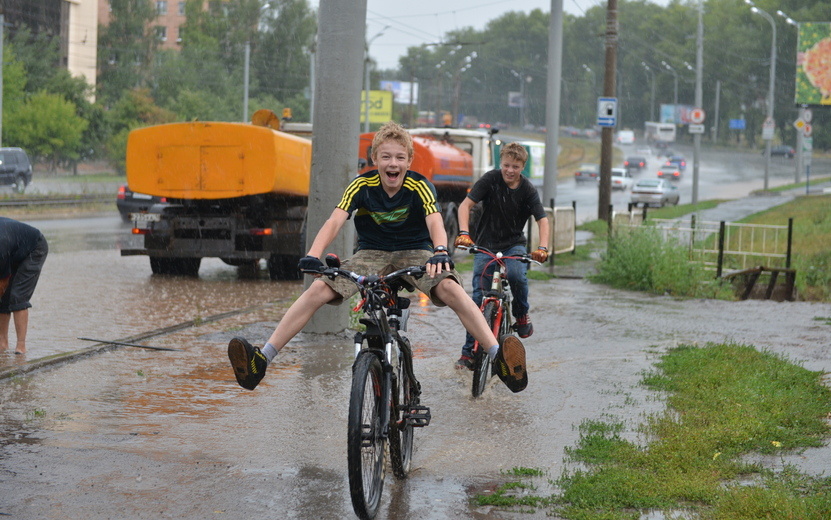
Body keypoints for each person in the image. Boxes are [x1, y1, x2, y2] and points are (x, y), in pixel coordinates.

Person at [228, 121, 528, 393]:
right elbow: (334, 220)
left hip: (416, 251)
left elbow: (436, 221)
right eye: (385, 157)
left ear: (409, 161)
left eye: (399, 157)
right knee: (318, 288)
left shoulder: (419, 185)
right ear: (375, 161)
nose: (393, 163)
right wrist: (312, 255)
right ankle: (262, 360)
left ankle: (496, 357)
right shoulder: (361, 186)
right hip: (370, 253)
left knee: (450, 288)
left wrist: (440, 250)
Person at [453, 142, 549, 370]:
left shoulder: (528, 190)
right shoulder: (490, 179)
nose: (509, 170)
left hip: (513, 245)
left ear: (522, 167)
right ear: (501, 163)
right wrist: (464, 233)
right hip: (486, 243)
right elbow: (465, 206)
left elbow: (542, 220)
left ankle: (521, 315)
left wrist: (543, 247)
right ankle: (468, 353)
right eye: (506, 165)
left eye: (515, 166)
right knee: (477, 298)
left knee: (517, 275)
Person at [0, 217, 49, 355]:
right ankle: (2, 344)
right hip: (15, 250)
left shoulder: (1, 246)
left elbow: (2, 282)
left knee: (17, 296)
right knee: (4, 298)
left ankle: (21, 346)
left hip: (35, 247)